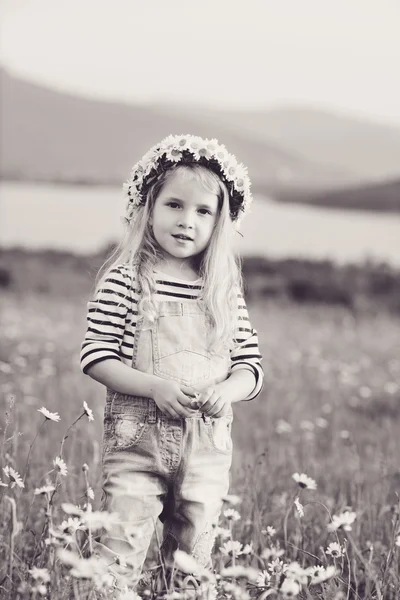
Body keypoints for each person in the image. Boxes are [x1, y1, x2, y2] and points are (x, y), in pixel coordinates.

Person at [79, 134, 264, 595]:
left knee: (191, 564)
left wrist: (229, 389)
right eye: (175, 205)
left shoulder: (221, 290)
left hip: (206, 449)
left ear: (220, 221)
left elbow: (249, 366)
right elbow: (96, 355)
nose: (187, 221)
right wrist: (153, 387)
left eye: (203, 212)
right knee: (115, 557)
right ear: (149, 205)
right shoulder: (127, 279)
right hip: (136, 444)